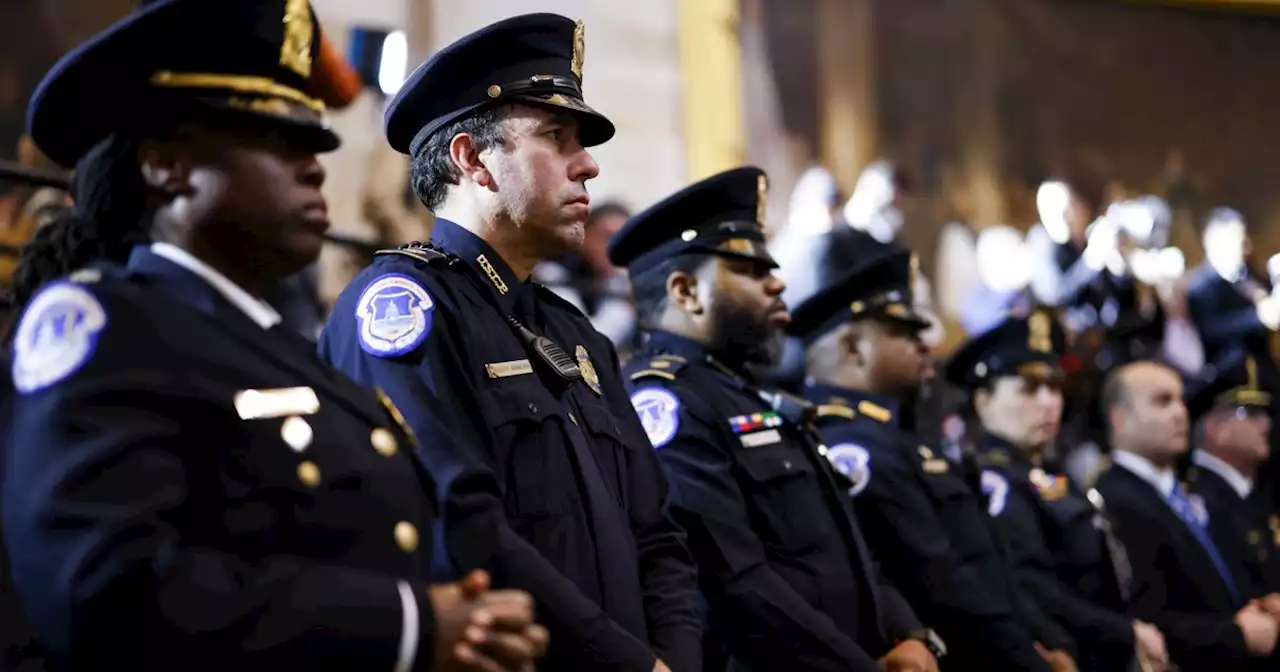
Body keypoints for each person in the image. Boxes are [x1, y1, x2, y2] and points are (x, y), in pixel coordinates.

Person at [1, 1, 547, 670]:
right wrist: (410, 624)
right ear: (167, 165)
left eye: (314, 140)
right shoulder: (107, 329)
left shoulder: (280, 349)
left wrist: (452, 621)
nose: (316, 166)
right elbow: (110, 589)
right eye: (275, 139)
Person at [318, 13, 701, 672]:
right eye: (555, 137)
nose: (587, 166)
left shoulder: (574, 331)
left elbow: (659, 536)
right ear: (472, 160)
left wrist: (676, 660)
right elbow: (463, 529)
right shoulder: (406, 308)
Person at [613, 167, 942, 672]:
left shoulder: (750, 397)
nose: (777, 282)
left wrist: (909, 632)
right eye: (749, 270)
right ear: (685, 292)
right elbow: (735, 583)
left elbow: (845, 547)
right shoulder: (666, 401)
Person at [786, 248, 1075, 671]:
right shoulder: (853, 445)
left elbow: (988, 571)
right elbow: (942, 586)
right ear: (853, 348)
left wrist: (1040, 642)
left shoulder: (898, 436)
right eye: (905, 333)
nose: (927, 345)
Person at [946, 311, 1170, 671]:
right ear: (983, 400)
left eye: (1054, 387)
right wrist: (1123, 632)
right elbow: (1032, 587)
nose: (1049, 402)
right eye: (1029, 388)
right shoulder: (993, 482)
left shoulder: (1044, 472)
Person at [1095, 361, 1279, 669]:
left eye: (1180, 400)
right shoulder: (1113, 499)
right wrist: (1235, 634)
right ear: (1120, 418)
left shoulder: (1175, 493)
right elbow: (1142, 618)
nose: (1180, 412)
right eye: (1162, 401)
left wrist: (1261, 607)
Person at [1184, 355, 1280, 597]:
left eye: (1265, 413)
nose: (1266, 424)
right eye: (1249, 412)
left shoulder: (1256, 494)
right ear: (1214, 428)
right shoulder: (1197, 502)